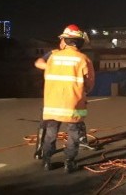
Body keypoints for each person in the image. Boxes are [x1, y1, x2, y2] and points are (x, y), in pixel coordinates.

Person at [41, 24, 95, 173]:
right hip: (73, 104)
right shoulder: (83, 59)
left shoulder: (53, 57)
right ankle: (69, 162)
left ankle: (47, 161)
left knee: (50, 133)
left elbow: (47, 76)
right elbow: (90, 83)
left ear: (65, 40)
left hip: (52, 103)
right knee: (73, 133)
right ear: (79, 42)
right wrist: (83, 92)